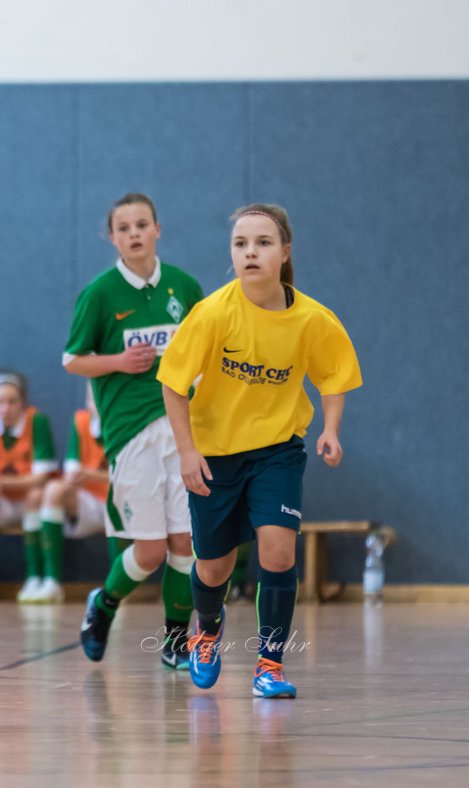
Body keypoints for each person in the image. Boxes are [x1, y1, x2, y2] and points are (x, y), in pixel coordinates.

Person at [157, 203, 362, 698]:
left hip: (278, 451)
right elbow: (173, 383)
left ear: (284, 252)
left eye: (263, 243)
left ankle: (270, 664)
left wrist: (331, 428)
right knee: (213, 567)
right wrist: (187, 453)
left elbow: (334, 374)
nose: (251, 252)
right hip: (216, 455)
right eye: (241, 244)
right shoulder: (212, 314)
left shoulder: (312, 319)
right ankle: (206, 630)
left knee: (277, 548)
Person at [64, 193, 203, 668]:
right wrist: (119, 362)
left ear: (158, 229)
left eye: (142, 224)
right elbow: (72, 360)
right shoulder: (100, 294)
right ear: (113, 238)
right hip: (132, 433)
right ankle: (103, 604)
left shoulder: (184, 287)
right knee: (148, 550)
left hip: (184, 431)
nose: (135, 234)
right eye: (124, 228)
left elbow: (207, 349)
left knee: (184, 543)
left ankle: (175, 641)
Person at [0, 372, 57, 602]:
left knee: (36, 495)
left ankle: (35, 577)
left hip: (28, 502)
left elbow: (41, 478)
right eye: (0, 402)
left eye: (12, 401)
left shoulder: (37, 421)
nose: (6, 408)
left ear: (22, 402)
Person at [35, 386, 112, 602]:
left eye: (102, 393)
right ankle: (51, 583)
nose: (96, 401)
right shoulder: (81, 421)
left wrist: (88, 474)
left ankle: (117, 590)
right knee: (53, 490)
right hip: (89, 502)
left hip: (120, 502)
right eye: (92, 396)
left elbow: (131, 477)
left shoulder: (125, 422)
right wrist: (75, 478)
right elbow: (72, 470)